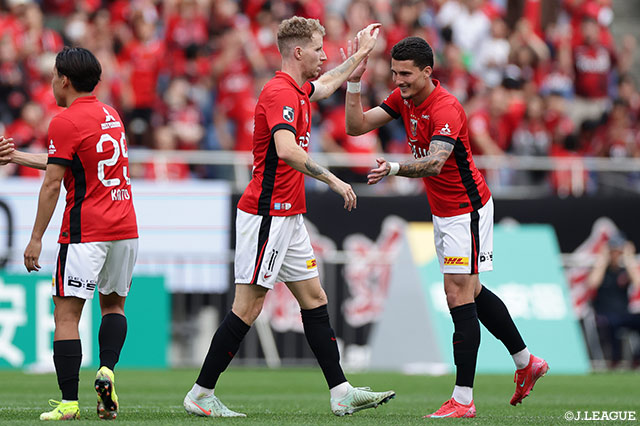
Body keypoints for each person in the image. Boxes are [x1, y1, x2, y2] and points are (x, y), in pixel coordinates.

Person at [182, 17, 395, 418]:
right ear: (298, 52)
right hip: (267, 214)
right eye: (317, 49)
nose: (323, 55)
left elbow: (327, 83)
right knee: (247, 308)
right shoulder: (280, 92)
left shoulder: (297, 89)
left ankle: (341, 392)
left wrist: (360, 56)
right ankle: (201, 393)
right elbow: (286, 149)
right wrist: (333, 178)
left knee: (315, 299)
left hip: (289, 215)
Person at [344, 36, 548, 418]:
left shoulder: (447, 108)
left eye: (405, 74)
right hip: (444, 211)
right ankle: (526, 361)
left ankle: (464, 400)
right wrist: (354, 82)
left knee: (458, 295)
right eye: (394, 73)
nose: (398, 80)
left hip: (466, 209)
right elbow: (356, 126)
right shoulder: (403, 99)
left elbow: (436, 162)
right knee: (472, 291)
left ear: (427, 71)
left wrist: (394, 167)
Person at [0, 47, 138, 421]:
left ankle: (69, 403)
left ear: (64, 80)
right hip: (125, 228)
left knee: (65, 315)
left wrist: (35, 238)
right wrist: (16, 157)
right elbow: (68, 160)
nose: (50, 83)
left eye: (52, 76)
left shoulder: (64, 121)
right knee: (114, 306)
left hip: (85, 230)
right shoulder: (111, 115)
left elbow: (52, 183)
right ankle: (107, 370)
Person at [587, 233, 640, 368]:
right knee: (612, 323)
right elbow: (592, 283)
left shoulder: (624, 270)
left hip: (623, 314)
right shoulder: (602, 270)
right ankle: (614, 360)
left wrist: (629, 259)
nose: (616, 254)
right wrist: (603, 259)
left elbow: (637, 283)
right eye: (613, 250)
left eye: (618, 251)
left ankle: (636, 359)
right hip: (604, 314)